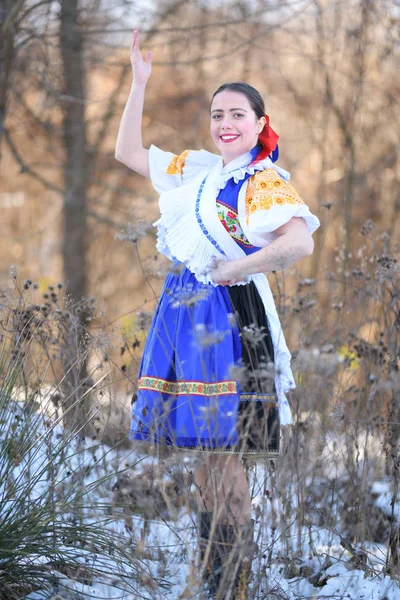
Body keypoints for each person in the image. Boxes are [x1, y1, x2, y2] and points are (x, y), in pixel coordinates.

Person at [115, 28, 320, 600]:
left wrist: (240, 267)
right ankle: (208, 581)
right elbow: (127, 154)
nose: (225, 122)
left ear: (259, 124)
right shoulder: (199, 169)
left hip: (233, 317)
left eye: (237, 114)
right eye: (217, 113)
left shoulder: (262, 180)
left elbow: (299, 241)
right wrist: (138, 85)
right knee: (204, 462)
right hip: (185, 312)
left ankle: (235, 587)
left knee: (228, 460)